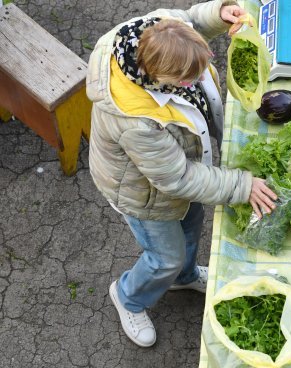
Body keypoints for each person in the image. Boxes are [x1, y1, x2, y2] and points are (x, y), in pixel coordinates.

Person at [86, 1, 276, 348]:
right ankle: (128, 296)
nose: (197, 81)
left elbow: (189, 21)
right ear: (160, 78)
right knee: (165, 257)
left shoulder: (159, 29)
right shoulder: (136, 120)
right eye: (188, 79)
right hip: (142, 194)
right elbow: (178, 179)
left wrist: (218, 16)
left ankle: (184, 277)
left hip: (172, 176)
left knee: (191, 221)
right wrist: (240, 185)